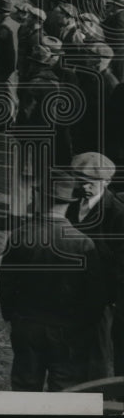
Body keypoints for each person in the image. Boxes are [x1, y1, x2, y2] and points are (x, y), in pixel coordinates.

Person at [0, 171, 108, 391]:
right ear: (70, 202)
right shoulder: (83, 244)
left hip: (27, 325)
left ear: (39, 198)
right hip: (68, 330)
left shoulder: (20, 235)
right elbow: (94, 295)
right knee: (66, 388)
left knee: (25, 387)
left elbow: (6, 284)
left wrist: (11, 316)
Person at [66, 152, 124, 378]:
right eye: (80, 180)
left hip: (100, 299)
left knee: (95, 357)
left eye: (92, 182)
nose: (85, 186)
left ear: (107, 182)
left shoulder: (117, 213)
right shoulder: (68, 203)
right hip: (68, 292)